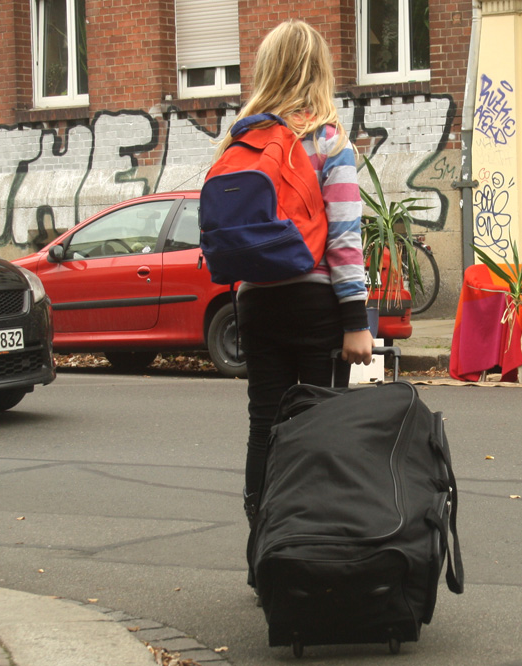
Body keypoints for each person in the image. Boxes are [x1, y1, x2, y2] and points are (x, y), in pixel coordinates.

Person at [211, 21, 374, 536]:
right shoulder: (327, 140)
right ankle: (309, 550)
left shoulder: (239, 141)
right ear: (319, 69)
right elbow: (345, 237)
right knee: (317, 429)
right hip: (315, 305)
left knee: (265, 427)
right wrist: (355, 320)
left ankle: (262, 549)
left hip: (255, 304)